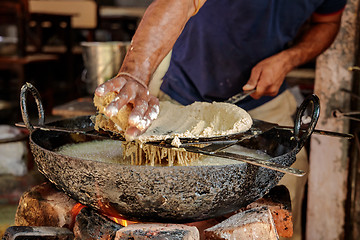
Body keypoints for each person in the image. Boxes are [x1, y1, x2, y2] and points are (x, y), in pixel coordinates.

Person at [95, 0, 346, 239]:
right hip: (183, 102)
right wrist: (136, 73)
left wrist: (288, 59)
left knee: (279, 200)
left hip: (265, 104)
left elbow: (327, 24)